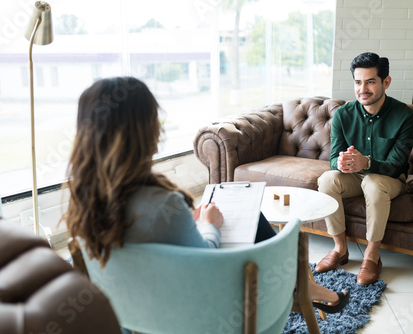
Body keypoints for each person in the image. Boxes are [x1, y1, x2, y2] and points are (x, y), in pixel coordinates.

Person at [64, 76, 349, 315]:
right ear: (146, 131)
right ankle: (303, 287)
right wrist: (208, 225)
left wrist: (186, 224)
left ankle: (306, 288)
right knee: (259, 226)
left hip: (133, 317)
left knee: (249, 216)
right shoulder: (164, 203)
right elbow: (206, 263)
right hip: (200, 315)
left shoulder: (82, 200)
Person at [315, 52, 413, 285]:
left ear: (386, 82)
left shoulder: (405, 117)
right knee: (327, 179)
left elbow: (394, 166)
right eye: (358, 82)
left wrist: (368, 163)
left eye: (370, 82)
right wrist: (340, 163)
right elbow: (333, 159)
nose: (363, 89)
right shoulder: (342, 114)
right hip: (353, 177)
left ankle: (372, 256)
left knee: (372, 182)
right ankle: (340, 249)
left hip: (389, 180)